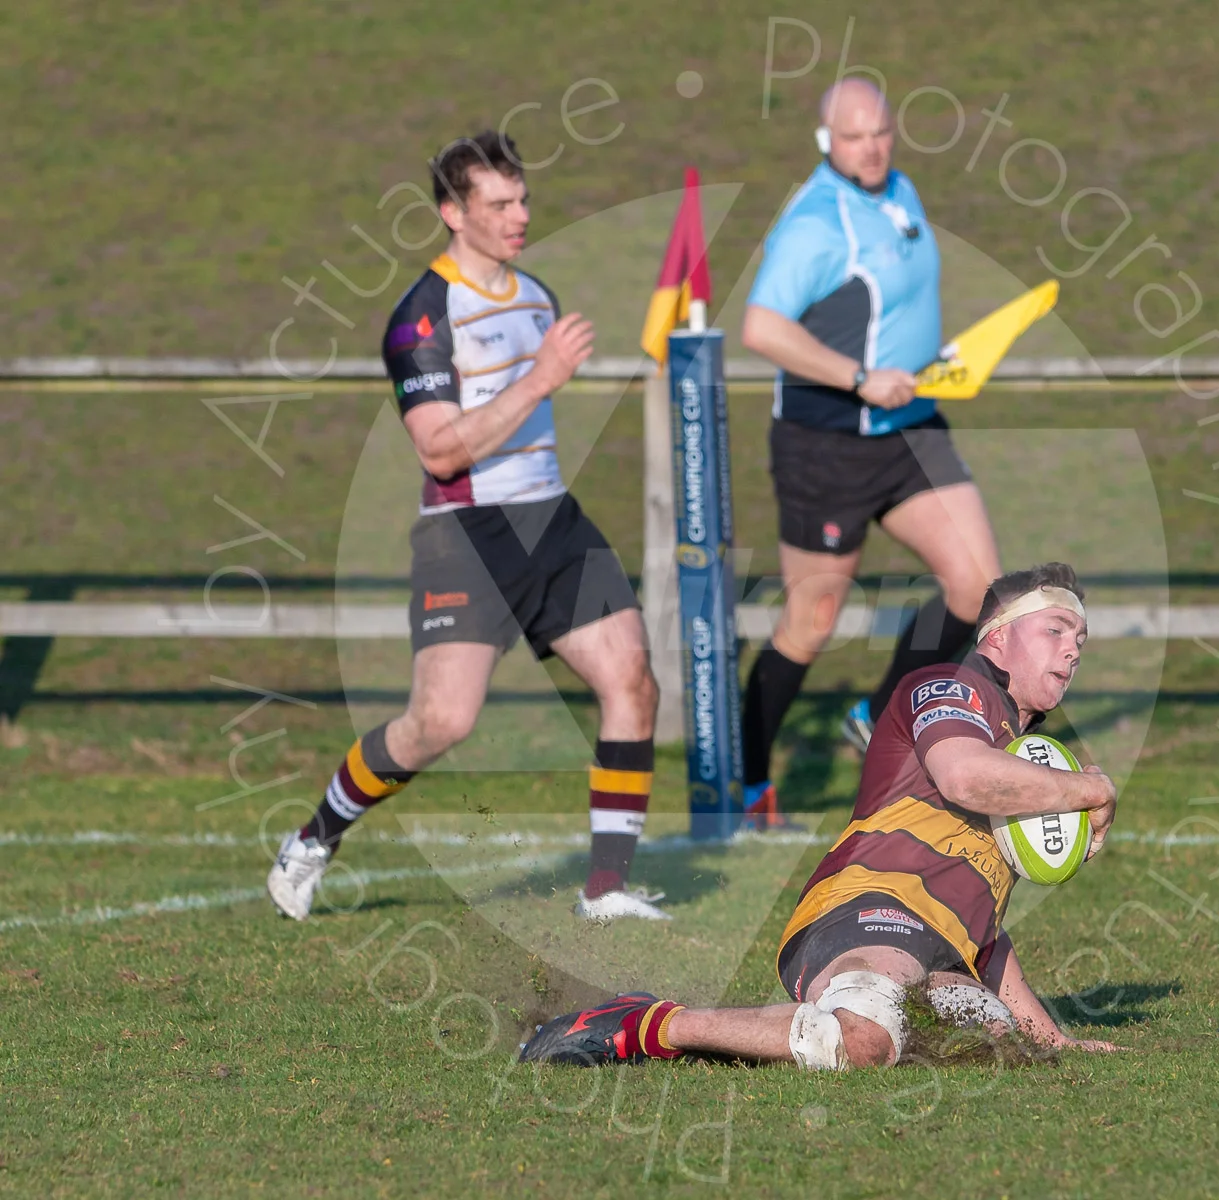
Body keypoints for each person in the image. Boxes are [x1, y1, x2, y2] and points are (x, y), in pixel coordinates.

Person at [267, 131, 668, 924]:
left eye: (522, 199)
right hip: (467, 536)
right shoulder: (422, 318)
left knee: (632, 682)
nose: (520, 215)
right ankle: (315, 838)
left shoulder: (537, 296)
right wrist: (543, 377)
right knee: (440, 723)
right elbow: (441, 449)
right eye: (499, 204)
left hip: (553, 519)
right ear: (453, 213)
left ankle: (607, 888)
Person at [519, 564, 1122, 1068]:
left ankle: (765, 1038)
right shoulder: (951, 687)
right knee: (863, 1038)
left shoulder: (1024, 756)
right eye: (1056, 629)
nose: (1072, 648)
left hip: (943, 945)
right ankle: (648, 1023)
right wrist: (1086, 790)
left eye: (1081, 640)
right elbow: (961, 774)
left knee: (984, 1044)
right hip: (867, 905)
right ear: (996, 638)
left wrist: (1049, 1038)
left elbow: (984, 928)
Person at [737, 78, 1006, 825]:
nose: (873, 148)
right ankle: (746, 776)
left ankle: (881, 714)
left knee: (978, 584)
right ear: (827, 141)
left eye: (881, 132)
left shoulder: (902, 191)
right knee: (812, 618)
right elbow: (762, 328)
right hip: (827, 445)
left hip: (913, 429)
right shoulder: (817, 223)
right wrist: (859, 377)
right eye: (854, 138)